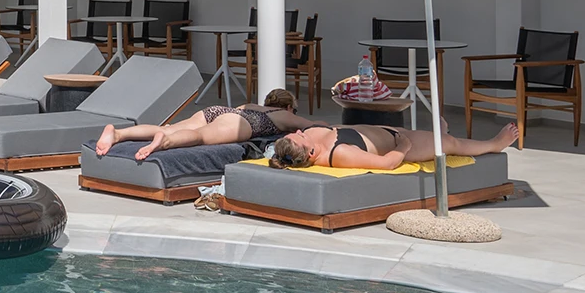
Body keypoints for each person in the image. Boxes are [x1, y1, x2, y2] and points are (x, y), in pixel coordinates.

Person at [94, 89, 315, 160]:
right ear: (289, 107)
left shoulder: (252, 104)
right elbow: (314, 125)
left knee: (168, 127)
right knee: (201, 136)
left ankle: (118, 134)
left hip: (219, 111)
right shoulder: (283, 115)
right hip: (244, 122)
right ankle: (166, 142)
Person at [269, 119, 520, 170]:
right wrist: (403, 146)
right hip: (400, 145)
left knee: (436, 137)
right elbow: (387, 163)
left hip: (385, 132)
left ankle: (437, 134)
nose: (301, 131)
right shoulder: (341, 154)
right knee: (449, 143)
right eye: (300, 136)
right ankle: (494, 145)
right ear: (312, 153)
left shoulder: (311, 135)